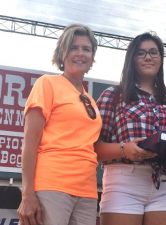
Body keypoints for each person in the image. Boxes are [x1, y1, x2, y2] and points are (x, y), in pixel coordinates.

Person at [95, 32, 166, 225]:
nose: (148, 57)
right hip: (123, 181)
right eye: (141, 53)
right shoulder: (113, 95)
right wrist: (125, 149)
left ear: (160, 59)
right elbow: (93, 148)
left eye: (153, 52)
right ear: (131, 59)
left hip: (165, 183)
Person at [17, 24, 101, 225]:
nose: (80, 53)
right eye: (73, 47)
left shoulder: (90, 100)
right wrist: (27, 193)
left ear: (92, 57)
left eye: (86, 49)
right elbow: (30, 143)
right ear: (62, 53)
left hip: (87, 191)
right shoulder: (47, 83)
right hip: (52, 184)